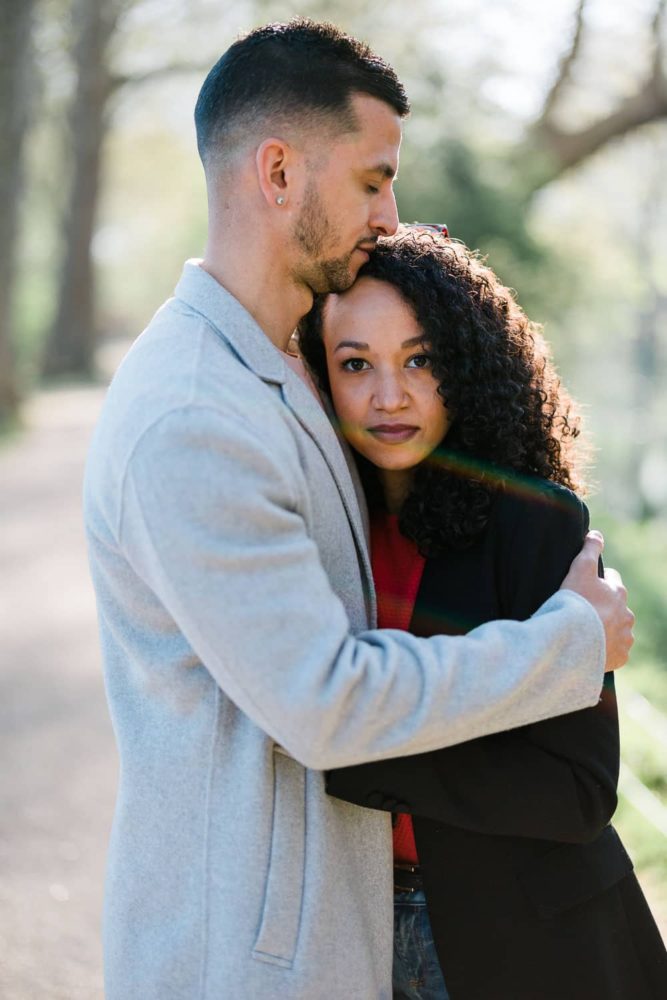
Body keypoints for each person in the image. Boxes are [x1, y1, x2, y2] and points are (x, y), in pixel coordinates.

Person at [83, 19, 634, 1000]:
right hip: (239, 964)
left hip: (326, 942)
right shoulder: (193, 415)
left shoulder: (281, 371)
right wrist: (569, 641)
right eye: (373, 179)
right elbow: (328, 704)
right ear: (280, 172)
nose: (391, 216)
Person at [298, 227, 666, 999]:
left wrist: (354, 752)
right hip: (349, 928)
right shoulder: (316, 532)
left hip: (532, 939)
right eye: (355, 363)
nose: (388, 395)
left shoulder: (537, 524)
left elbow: (576, 791)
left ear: (466, 366)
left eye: (420, 360)